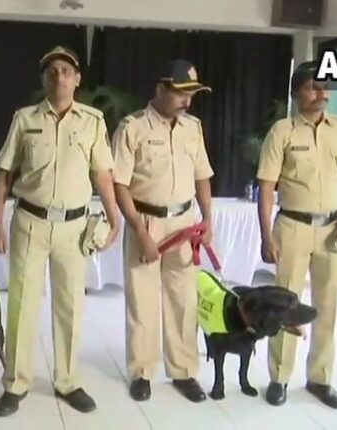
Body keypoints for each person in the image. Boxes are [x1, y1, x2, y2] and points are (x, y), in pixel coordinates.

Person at [0, 46, 121, 416]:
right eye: (51, 71)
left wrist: (115, 216)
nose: (59, 76)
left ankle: (68, 381)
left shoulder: (93, 121)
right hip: (30, 222)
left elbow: (103, 173)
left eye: (66, 70)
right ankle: (16, 383)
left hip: (74, 227)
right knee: (22, 305)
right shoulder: (25, 119)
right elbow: (4, 173)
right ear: (43, 79)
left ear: (77, 79)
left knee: (70, 306)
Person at [256, 60, 337, 409]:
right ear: (297, 92)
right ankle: (279, 377)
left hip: (334, 230)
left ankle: (320, 378)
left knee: (328, 305)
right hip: (292, 227)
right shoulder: (282, 131)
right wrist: (267, 236)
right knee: (285, 304)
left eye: (326, 86)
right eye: (313, 86)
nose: (322, 93)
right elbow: (266, 187)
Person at [111, 59, 214, 403]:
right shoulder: (133, 128)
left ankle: (183, 371)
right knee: (142, 301)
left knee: (183, 300)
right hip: (146, 222)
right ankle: (142, 371)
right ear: (160, 89)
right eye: (181, 93)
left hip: (185, 223)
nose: (187, 100)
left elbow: (202, 175)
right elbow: (119, 184)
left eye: (192, 94)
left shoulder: (192, 128)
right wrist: (140, 233)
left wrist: (208, 219)